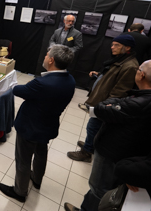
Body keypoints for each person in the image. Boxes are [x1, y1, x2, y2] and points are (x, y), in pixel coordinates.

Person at [64, 60, 151, 211]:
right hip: (124, 151)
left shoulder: (139, 103)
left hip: (112, 152)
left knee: (99, 189)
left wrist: (110, 103)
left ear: (141, 75)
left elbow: (101, 108)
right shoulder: (140, 98)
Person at [0, 45, 76, 203]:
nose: (45, 57)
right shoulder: (70, 80)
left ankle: (19, 191)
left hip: (30, 126)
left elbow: (18, 90)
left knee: (23, 159)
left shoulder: (42, 83)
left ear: (52, 60)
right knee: (41, 153)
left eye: (47, 55)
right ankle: (37, 179)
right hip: (48, 125)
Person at [67, 34, 138, 162]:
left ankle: (87, 152)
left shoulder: (130, 66)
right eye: (112, 44)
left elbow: (120, 91)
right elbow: (111, 77)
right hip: (102, 100)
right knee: (94, 126)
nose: (112, 47)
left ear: (127, 48)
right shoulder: (120, 60)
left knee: (93, 126)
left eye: (117, 45)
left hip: (104, 103)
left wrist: (105, 106)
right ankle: (90, 144)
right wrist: (99, 75)